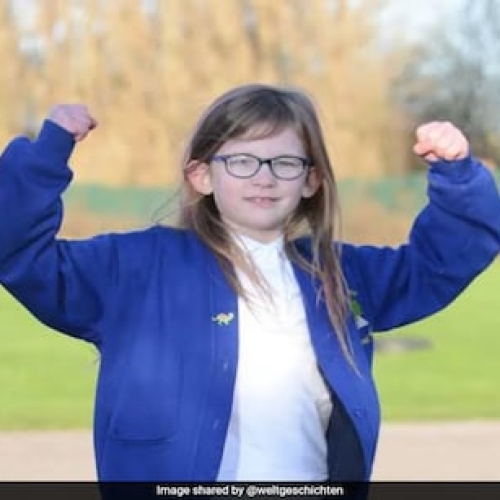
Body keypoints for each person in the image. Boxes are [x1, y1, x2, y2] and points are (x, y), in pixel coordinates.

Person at [0, 84, 499, 485]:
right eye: (241, 161)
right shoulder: (134, 270)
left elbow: (442, 262)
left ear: (311, 180)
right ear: (201, 176)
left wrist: (457, 176)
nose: (264, 177)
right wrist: (47, 155)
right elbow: (18, 251)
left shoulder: (340, 274)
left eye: (285, 162)